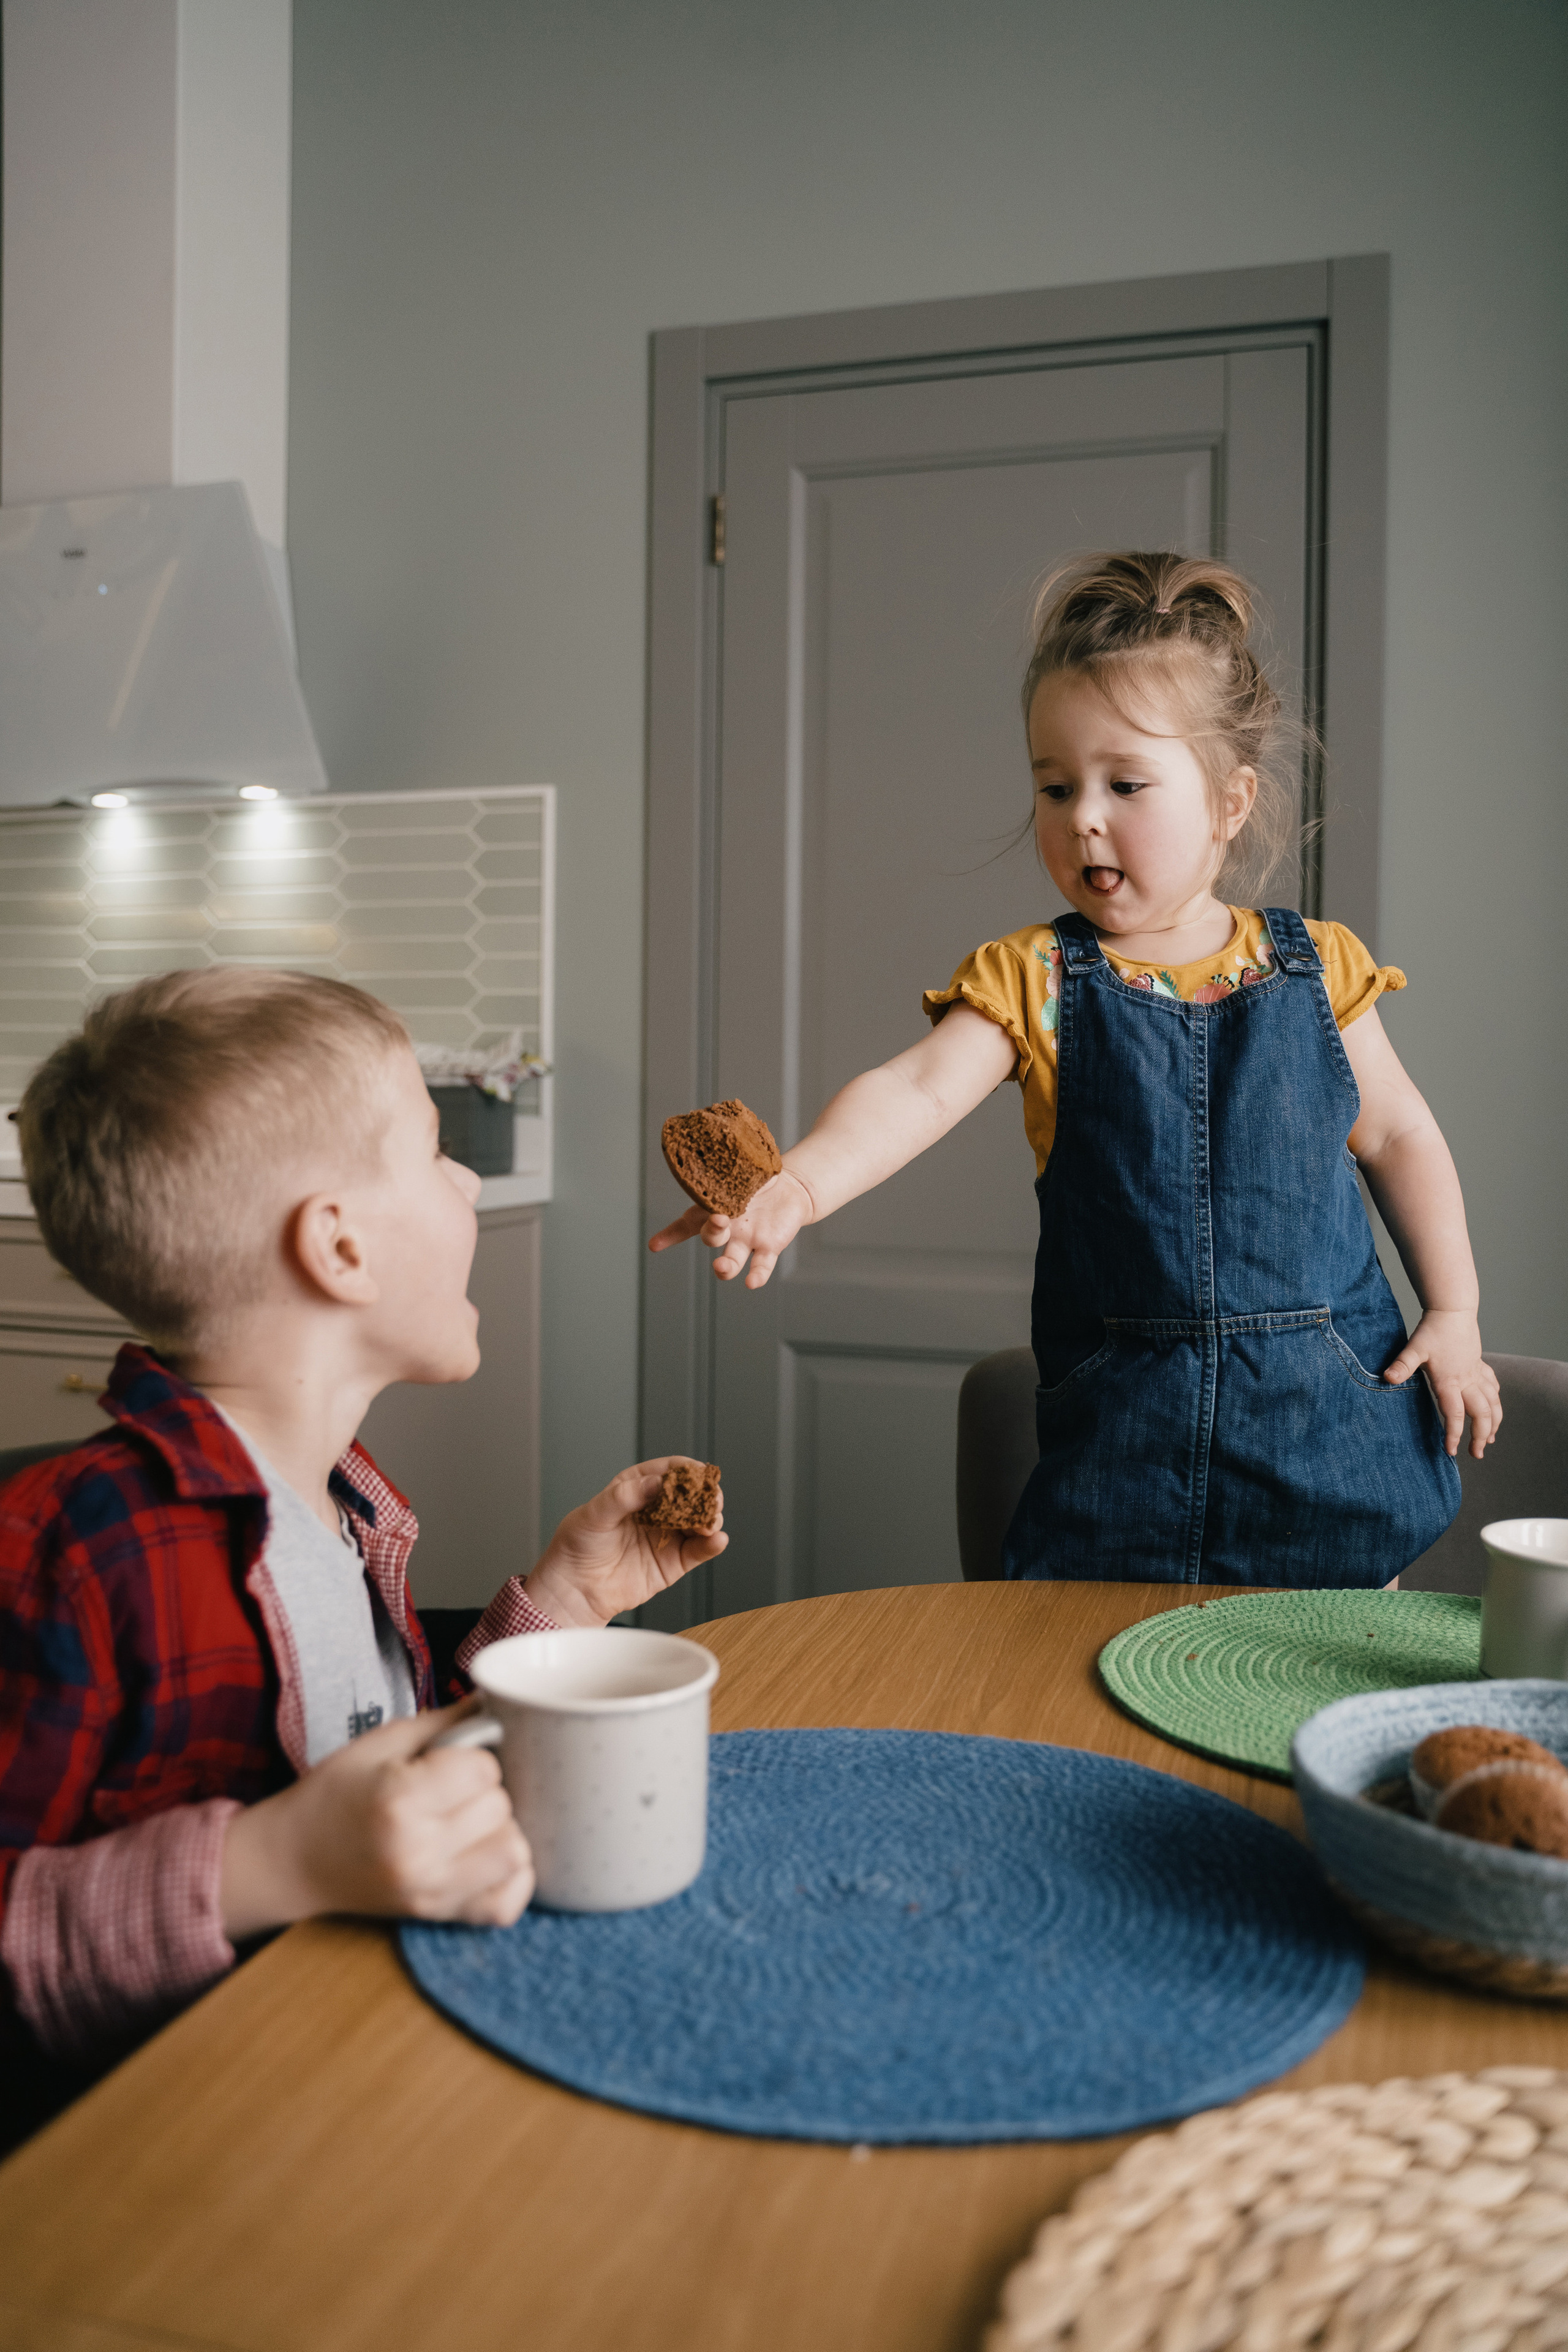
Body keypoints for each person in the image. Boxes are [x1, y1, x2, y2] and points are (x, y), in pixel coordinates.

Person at [651, 551, 1500, 1588]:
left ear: (1231, 803)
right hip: (1124, 1453)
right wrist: (800, 1182)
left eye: (1125, 784)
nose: (1081, 815)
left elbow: (1401, 1136)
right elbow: (914, 1092)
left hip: (1327, 1442)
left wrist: (1451, 1309)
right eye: (1055, 786)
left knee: (1303, 1691)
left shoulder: (1318, 966)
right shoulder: (1036, 979)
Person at [0, 967, 725, 2124]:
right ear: (339, 1248)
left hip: (364, 2075)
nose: (471, 1178)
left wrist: (562, 1604)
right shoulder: (82, 1549)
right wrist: (272, 1864)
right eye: (437, 1148)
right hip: (169, 2147)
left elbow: (386, 1754)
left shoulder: (340, 1501)